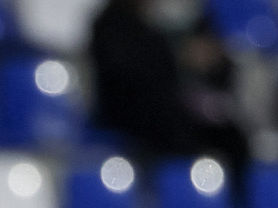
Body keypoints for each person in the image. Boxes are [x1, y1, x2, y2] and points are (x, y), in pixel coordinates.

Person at [88, 0, 250, 175]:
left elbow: (219, 69)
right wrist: (179, 57)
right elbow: (133, 80)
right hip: (135, 119)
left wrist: (212, 60)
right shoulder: (113, 24)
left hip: (171, 113)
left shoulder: (189, 20)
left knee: (231, 137)